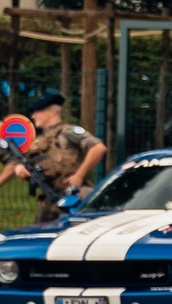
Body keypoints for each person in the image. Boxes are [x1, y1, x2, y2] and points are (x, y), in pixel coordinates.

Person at [0, 87, 106, 218]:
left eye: (37, 111)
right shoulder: (37, 142)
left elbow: (98, 148)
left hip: (74, 195)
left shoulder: (67, 132)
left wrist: (79, 175)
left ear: (50, 112)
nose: (33, 116)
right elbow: (20, 162)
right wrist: (20, 169)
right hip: (49, 198)